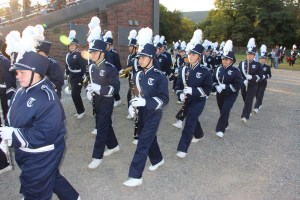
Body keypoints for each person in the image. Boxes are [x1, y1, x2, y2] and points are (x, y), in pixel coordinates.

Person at [0, 26, 80, 199]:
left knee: (37, 189)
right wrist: (6, 135)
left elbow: (45, 135)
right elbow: (14, 116)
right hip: (28, 152)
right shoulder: (22, 89)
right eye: (17, 72)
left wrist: (13, 135)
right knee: (51, 177)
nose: (17, 76)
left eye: (22, 72)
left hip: (42, 155)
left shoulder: (47, 98)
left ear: (36, 72)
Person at [123, 27, 169, 187]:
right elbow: (135, 93)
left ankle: (136, 176)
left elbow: (164, 99)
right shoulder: (138, 75)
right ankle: (158, 159)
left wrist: (146, 102)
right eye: (139, 58)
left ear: (151, 58)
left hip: (154, 114)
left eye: (142, 58)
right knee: (150, 138)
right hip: (141, 113)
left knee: (143, 142)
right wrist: (132, 105)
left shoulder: (160, 76)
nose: (139, 60)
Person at [86, 27, 120, 169]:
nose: (92, 54)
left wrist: (99, 89)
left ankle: (97, 156)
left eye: (94, 52)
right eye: (91, 52)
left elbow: (114, 89)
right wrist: (90, 91)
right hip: (97, 101)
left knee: (101, 126)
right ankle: (113, 145)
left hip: (107, 101)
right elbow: (91, 84)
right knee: (105, 124)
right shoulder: (92, 67)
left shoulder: (110, 68)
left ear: (102, 53)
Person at [176, 29, 212, 158]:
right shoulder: (183, 69)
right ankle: (199, 134)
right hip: (186, 100)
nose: (190, 56)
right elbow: (178, 85)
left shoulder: (205, 71)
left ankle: (182, 148)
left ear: (199, 56)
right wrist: (179, 93)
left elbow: (208, 89)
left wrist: (194, 91)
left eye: (193, 54)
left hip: (198, 100)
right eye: (189, 54)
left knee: (190, 119)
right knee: (193, 118)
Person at [213, 40, 243, 138]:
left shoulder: (235, 71)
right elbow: (213, 80)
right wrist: (216, 86)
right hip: (220, 93)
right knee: (222, 110)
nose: (224, 61)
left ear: (231, 60)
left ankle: (220, 129)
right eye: (223, 59)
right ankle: (225, 124)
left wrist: (226, 87)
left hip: (231, 94)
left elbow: (239, 84)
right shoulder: (218, 69)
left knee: (225, 110)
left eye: (227, 59)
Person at [238, 38, 263, 124]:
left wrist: (252, 77)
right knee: (245, 99)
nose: (249, 56)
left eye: (251, 54)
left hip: (253, 85)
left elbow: (260, 76)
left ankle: (244, 116)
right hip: (244, 85)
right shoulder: (242, 63)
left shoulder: (257, 64)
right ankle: (248, 111)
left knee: (249, 100)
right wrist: (243, 80)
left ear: (254, 55)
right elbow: (238, 74)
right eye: (248, 54)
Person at [65, 30, 87, 119]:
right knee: (74, 94)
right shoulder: (68, 55)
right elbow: (67, 66)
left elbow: (83, 66)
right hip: (72, 77)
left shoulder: (79, 54)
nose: (71, 46)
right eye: (70, 45)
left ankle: (81, 111)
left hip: (79, 77)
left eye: (73, 45)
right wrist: (66, 75)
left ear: (76, 46)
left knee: (75, 94)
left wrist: (84, 76)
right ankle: (80, 110)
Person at [103, 30, 122, 107]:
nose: (105, 45)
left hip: (113, 73)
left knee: (113, 87)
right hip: (106, 72)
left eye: (106, 44)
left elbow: (118, 65)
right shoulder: (103, 53)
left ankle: (117, 99)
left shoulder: (114, 54)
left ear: (110, 45)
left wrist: (117, 72)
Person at [253, 44, 272, 114]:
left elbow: (270, 75)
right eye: (261, 58)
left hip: (263, 83)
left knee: (260, 94)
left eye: (263, 58)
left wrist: (264, 76)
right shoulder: (256, 65)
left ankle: (256, 107)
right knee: (257, 95)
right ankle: (259, 103)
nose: (262, 60)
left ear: (265, 59)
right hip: (257, 83)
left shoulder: (267, 67)